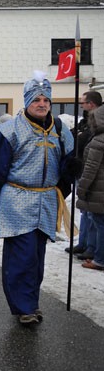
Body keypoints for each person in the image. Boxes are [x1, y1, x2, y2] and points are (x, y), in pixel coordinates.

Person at [0, 72, 76, 326]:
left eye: (46, 99)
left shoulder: (61, 131)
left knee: (36, 258)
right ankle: (24, 307)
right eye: (36, 99)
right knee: (21, 257)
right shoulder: (10, 130)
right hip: (16, 200)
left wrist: (72, 170)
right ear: (27, 100)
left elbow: (68, 168)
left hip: (46, 201)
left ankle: (30, 301)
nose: (42, 103)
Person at [68, 90, 103, 259]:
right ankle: (84, 244)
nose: (81, 106)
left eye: (83, 103)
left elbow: (85, 146)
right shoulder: (85, 122)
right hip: (81, 168)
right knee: (85, 212)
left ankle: (93, 250)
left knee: (93, 216)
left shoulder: (96, 125)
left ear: (91, 104)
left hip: (91, 174)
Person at [78, 102, 104, 271]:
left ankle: (99, 259)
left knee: (100, 224)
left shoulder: (98, 141)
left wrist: (82, 188)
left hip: (98, 190)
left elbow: (90, 169)